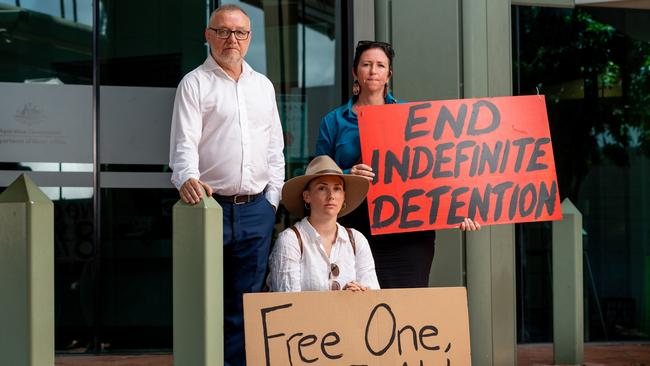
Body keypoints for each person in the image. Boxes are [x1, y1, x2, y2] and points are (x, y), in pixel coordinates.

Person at [168, 5, 284, 366]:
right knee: (203, 301)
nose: (231, 39)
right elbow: (183, 145)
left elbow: (275, 148)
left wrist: (272, 200)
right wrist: (186, 177)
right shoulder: (194, 83)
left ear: (249, 38)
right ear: (208, 35)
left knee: (244, 306)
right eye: (223, 31)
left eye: (240, 32)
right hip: (209, 210)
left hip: (256, 212)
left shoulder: (262, 86)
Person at [316, 40, 480, 289]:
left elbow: (435, 171)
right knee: (358, 307)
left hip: (408, 231)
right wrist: (349, 174)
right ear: (355, 72)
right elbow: (319, 174)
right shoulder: (334, 121)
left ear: (388, 75)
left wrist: (459, 207)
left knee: (407, 307)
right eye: (366, 64)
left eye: (380, 65)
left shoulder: (413, 117)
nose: (373, 71)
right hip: (356, 229)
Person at [268, 155, 380, 292]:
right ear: (306, 196)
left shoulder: (357, 240)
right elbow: (287, 304)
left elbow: (374, 297)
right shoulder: (290, 240)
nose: (331, 195)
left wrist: (360, 295)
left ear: (344, 196)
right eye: (322, 188)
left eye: (337, 189)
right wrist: (340, 301)